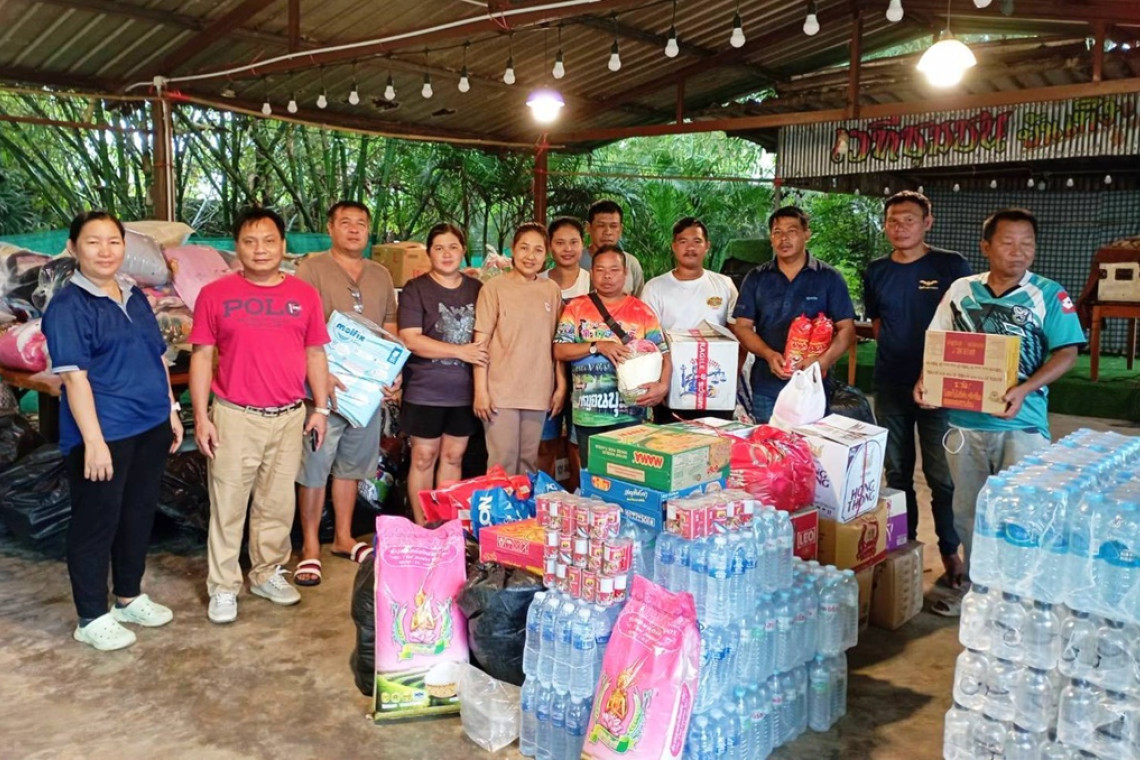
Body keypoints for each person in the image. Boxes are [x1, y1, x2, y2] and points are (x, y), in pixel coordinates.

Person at [917, 207, 1084, 616]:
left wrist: (1025, 389)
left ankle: (1019, 599)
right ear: (986, 247)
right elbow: (939, 343)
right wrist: (927, 381)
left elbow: (1067, 353)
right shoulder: (961, 290)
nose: (1019, 251)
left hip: (1022, 425)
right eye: (1008, 243)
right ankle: (978, 592)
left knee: (1022, 514)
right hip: (964, 423)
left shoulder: (1049, 294)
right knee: (968, 513)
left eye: (1027, 243)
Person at [42, 211, 184, 651]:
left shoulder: (134, 294)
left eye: (113, 241)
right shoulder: (68, 307)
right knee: (96, 522)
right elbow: (74, 379)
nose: (105, 251)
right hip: (105, 433)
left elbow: (157, 356)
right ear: (73, 248)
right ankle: (90, 616)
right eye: (93, 242)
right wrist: (94, 442)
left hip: (150, 425)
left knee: (137, 514)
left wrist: (171, 409)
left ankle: (128, 596)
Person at [189, 207, 331, 624]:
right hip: (235, 415)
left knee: (277, 504)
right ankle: (223, 587)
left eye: (269, 241)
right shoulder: (215, 294)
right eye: (250, 241)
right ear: (237, 247)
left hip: (288, 416)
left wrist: (321, 408)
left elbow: (315, 353)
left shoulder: (304, 295)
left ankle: (267, 573)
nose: (260, 249)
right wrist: (202, 417)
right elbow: (201, 357)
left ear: (283, 246)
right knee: (228, 504)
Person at [863, 191, 972, 592]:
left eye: (909, 219)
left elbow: (965, 324)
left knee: (942, 477)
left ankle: (950, 551)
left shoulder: (951, 265)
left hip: (941, 388)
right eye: (893, 220)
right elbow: (878, 323)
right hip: (891, 384)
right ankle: (904, 546)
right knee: (897, 473)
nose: (900, 227)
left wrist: (937, 372)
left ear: (928, 222)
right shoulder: (877, 270)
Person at [292, 201, 398, 586]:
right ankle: (310, 547)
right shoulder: (311, 269)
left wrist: (393, 372)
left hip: (365, 391)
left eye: (361, 224)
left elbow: (389, 328)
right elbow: (298, 329)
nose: (354, 230)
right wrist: (321, 375)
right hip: (323, 387)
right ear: (330, 228)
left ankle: (343, 537)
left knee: (351, 466)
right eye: (346, 223)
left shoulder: (380, 274)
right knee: (315, 465)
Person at [732, 206, 856, 423]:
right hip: (766, 384)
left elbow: (847, 329)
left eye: (792, 231)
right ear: (771, 238)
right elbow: (742, 327)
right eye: (777, 232)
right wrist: (768, 354)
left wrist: (822, 362)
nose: (784, 239)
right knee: (769, 441)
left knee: (809, 442)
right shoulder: (756, 278)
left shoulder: (829, 278)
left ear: (806, 234)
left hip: (813, 386)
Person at [399, 222, 485, 523]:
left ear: (463, 251)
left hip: (464, 391)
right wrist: (461, 352)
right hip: (425, 390)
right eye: (439, 248)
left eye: (453, 247)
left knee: (453, 456)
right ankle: (423, 525)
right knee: (423, 457)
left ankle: (445, 525)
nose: (446, 254)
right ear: (429, 253)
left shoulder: (478, 289)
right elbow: (411, 339)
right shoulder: (416, 289)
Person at [554, 246, 671, 467]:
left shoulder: (642, 311)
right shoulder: (576, 308)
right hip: (589, 414)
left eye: (614, 270)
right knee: (593, 475)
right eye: (600, 270)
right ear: (592, 273)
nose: (607, 276)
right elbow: (559, 350)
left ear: (625, 273)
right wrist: (597, 346)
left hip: (632, 414)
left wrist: (663, 386)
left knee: (629, 475)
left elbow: (664, 354)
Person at [473, 222, 566, 476]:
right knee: (502, 464)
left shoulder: (551, 290)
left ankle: (522, 505)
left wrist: (560, 386)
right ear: (512, 249)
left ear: (546, 255)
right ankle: (499, 505)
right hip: (500, 392)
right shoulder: (493, 288)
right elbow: (480, 344)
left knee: (528, 465)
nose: (530, 256)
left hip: (538, 391)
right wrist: (481, 391)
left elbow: (558, 343)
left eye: (538, 250)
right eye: (524, 248)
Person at [641, 216, 739, 422]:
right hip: (670, 386)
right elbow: (648, 341)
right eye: (683, 241)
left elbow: (738, 333)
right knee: (670, 439)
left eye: (697, 241)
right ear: (673, 246)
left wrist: (732, 372)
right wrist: (659, 382)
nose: (690, 248)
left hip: (716, 387)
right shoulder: (655, 288)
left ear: (707, 246)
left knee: (715, 439)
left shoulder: (724, 285)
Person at [579, 199, 645, 296]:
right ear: (588, 228)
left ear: (620, 229)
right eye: (601, 225)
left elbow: (638, 301)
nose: (608, 232)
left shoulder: (631, 264)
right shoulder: (576, 261)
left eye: (613, 226)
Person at [541, 216, 591, 299]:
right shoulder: (536, 281)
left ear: (583, 244)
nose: (568, 249)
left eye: (574, 242)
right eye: (560, 243)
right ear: (549, 246)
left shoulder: (592, 282)